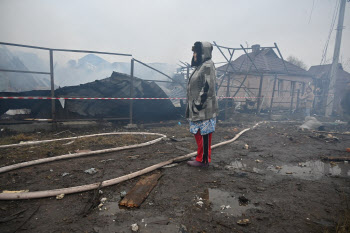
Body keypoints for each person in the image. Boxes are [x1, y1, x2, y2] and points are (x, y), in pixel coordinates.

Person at [186, 41, 219, 167]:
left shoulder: (208, 65)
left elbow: (208, 87)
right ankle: (201, 155)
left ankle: (204, 160)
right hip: (198, 107)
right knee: (199, 133)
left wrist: (198, 104)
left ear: (202, 53)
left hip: (204, 108)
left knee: (205, 135)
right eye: (194, 52)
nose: (194, 55)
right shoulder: (201, 66)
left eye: (196, 52)